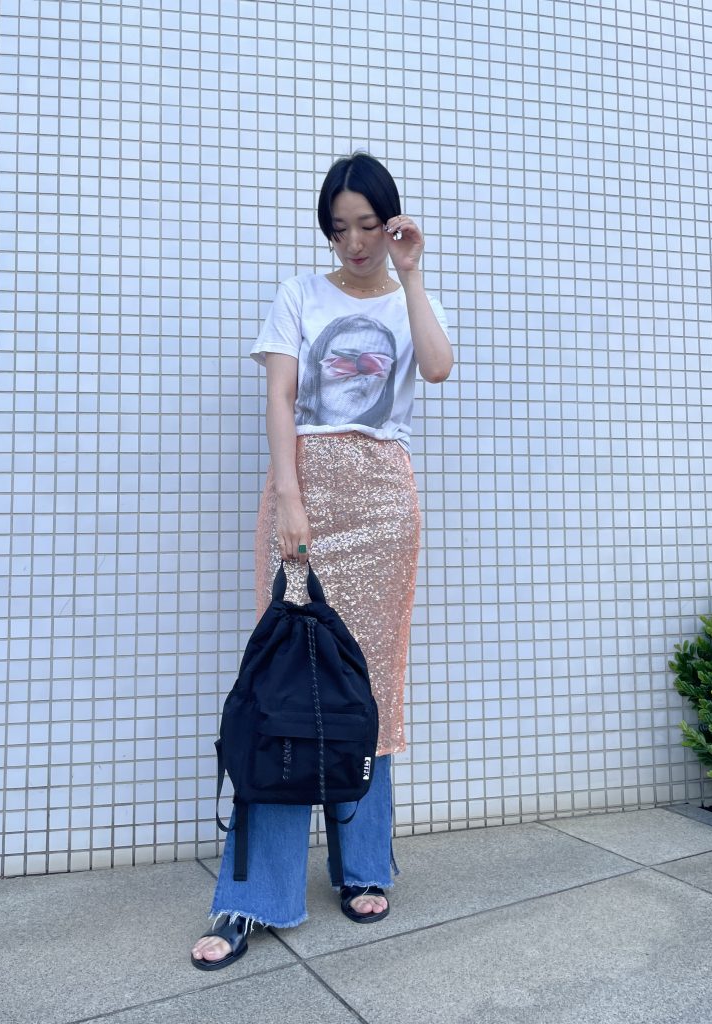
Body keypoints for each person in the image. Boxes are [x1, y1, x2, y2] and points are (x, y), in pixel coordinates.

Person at [191, 152, 454, 970]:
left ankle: (365, 866)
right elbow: (279, 397)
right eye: (340, 229)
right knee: (284, 686)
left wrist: (412, 275)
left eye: (368, 226)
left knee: (372, 688)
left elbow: (438, 366)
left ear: (391, 222)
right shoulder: (300, 294)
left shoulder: (409, 293)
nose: (355, 243)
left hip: (384, 502)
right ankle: (252, 895)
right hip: (306, 493)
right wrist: (290, 499)